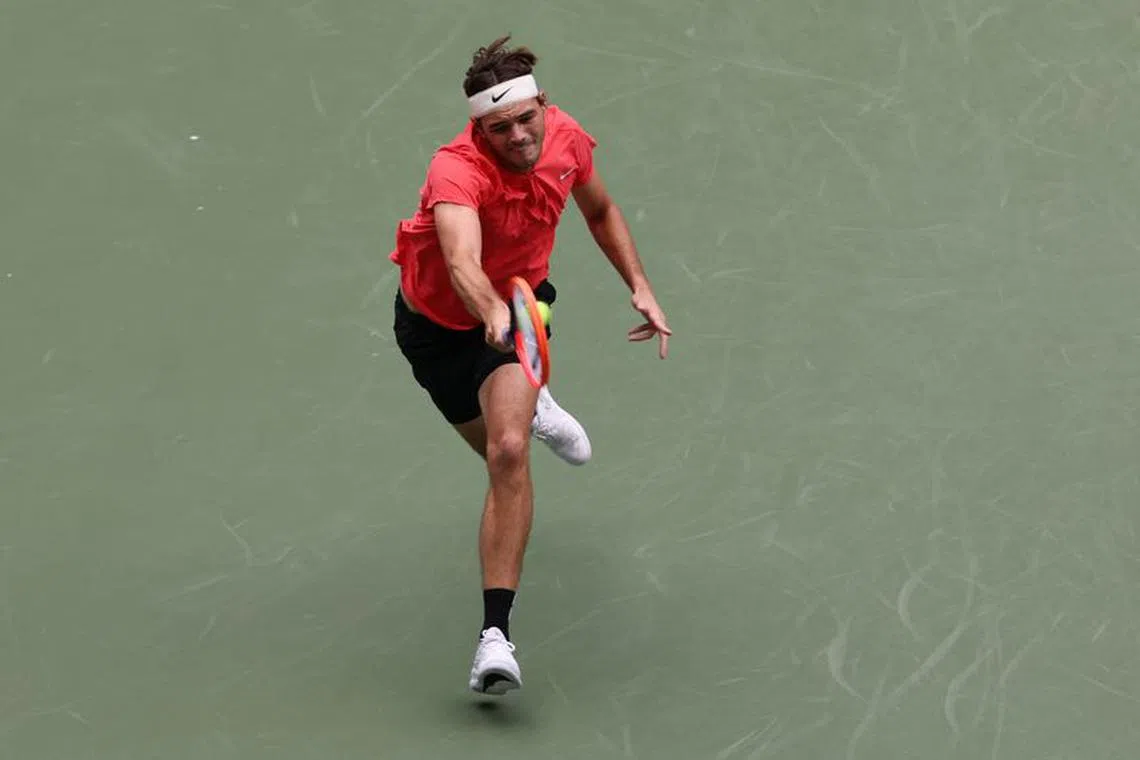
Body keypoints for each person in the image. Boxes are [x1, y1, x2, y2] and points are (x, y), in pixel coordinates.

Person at [389, 35, 672, 695]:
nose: (517, 136)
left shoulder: (567, 139)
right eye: (499, 128)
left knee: (509, 453)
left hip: (518, 314)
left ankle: (495, 638)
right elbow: (460, 259)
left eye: (525, 119)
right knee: (496, 451)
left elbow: (600, 210)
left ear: (543, 104)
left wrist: (639, 284)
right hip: (437, 333)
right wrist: (487, 306)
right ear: (479, 129)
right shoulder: (455, 170)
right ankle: (534, 401)